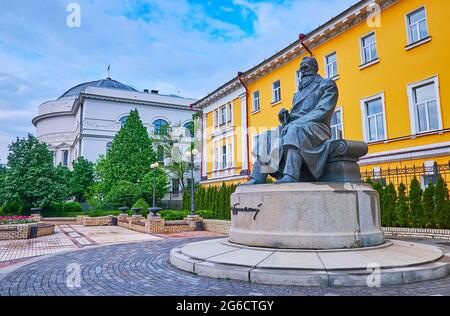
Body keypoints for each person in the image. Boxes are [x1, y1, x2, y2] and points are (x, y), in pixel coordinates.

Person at [245, 56, 338, 185]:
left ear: (315, 68)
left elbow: (322, 111)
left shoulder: (327, 84)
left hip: (318, 128)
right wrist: (286, 118)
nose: (303, 71)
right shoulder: (298, 94)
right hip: (298, 127)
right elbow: (294, 119)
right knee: (267, 135)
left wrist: (294, 123)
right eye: (301, 69)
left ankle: (291, 175)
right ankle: (258, 177)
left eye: (305, 67)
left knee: (295, 129)